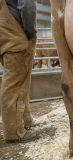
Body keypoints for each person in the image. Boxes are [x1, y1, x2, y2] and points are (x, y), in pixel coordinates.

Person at [0, 0, 39, 143]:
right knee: (14, 85)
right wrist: (31, 32)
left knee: (20, 81)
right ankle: (14, 132)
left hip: (5, 32)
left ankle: (25, 120)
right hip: (16, 34)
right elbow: (28, 6)